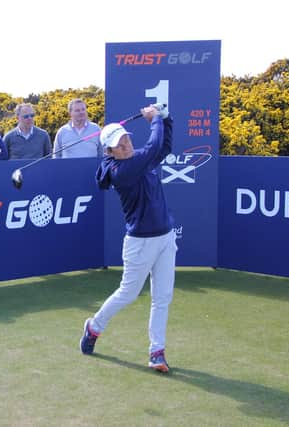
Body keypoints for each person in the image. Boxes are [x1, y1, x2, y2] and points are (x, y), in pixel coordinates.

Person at [80, 104, 176, 374]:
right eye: (118, 145)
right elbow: (155, 146)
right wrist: (156, 119)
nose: (126, 146)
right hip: (140, 243)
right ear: (109, 152)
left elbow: (163, 147)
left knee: (163, 297)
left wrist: (166, 120)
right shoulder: (122, 171)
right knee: (128, 293)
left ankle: (157, 352)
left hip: (166, 237)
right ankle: (94, 327)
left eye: (126, 139)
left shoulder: (138, 158)